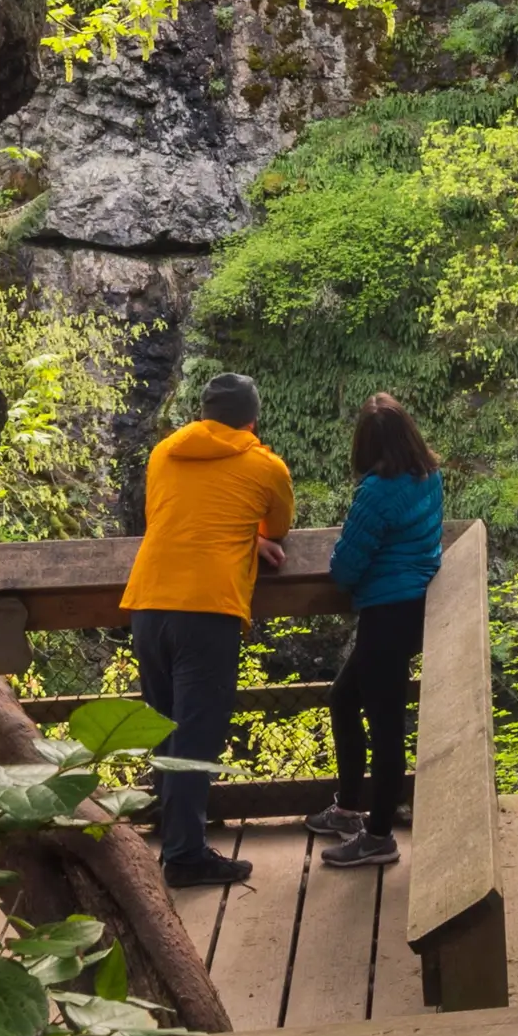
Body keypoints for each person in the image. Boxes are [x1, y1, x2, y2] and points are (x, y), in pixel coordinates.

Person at [120, 373, 295, 888]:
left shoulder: (162, 454)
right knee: (195, 737)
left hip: (148, 602)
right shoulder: (265, 465)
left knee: (164, 729)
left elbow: (169, 518)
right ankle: (185, 856)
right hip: (208, 608)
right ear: (252, 419)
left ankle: (178, 839)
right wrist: (253, 538)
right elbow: (277, 527)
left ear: (202, 414)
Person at [306, 393, 444, 867]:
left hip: (386, 613)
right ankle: (348, 807)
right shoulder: (429, 478)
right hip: (415, 606)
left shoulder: (377, 492)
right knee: (344, 699)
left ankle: (379, 835)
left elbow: (346, 567)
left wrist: (338, 564)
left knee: (386, 727)